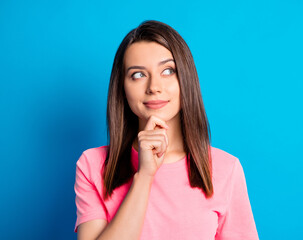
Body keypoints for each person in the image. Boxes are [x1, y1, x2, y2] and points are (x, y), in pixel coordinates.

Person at [74, 20, 259, 240]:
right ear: (122, 88)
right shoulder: (93, 165)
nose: (154, 87)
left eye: (168, 71)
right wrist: (144, 176)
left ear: (186, 80)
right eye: (138, 75)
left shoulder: (226, 169)